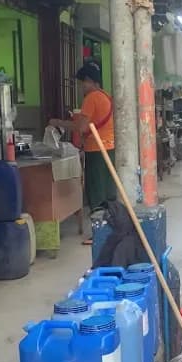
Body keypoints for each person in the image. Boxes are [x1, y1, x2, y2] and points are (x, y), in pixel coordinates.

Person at [49, 62, 116, 244]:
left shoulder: (92, 98)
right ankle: (112, 229)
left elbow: (81, 127)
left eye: (82, 83)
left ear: (90, 81)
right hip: (110, 149)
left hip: (96, 149)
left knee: (96, 192)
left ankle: (99, 234)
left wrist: (59, 122)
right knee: (109, 191)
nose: (81, 87)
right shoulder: (106, 97)